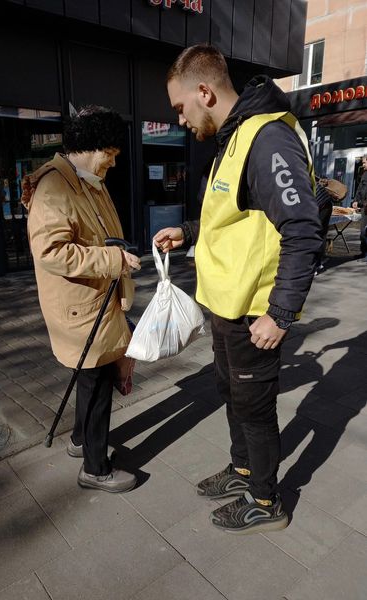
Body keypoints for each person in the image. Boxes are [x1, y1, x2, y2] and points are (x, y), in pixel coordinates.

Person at [154, 44, 322, 534]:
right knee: (231, 393)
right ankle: (245, 470)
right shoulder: (235, 136)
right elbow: (236, 212)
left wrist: (282, 313)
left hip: (254, 311)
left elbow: (302, 228)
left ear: (204, 91)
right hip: (226, 305)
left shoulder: (267, 138)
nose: (180, 119)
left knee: (253, 404)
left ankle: (267, 502)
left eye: (179, 107)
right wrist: (188, 230)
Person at [23, 106, 141, 493]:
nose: (114, 159)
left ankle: (79, 440)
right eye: (111, 151)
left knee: (92, 377)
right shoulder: (55, 185)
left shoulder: (88, 181)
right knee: (97, 381)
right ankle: (95, 468)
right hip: (82, 306)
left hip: (96, 301)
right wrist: (114, 260)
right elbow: (51, 251)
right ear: (94, 147)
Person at [314, 177, 333, 274]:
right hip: (325, 204)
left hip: (322, 205)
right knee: (321, 234)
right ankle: (319, 263)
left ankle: (316, 265)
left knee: (316, 234)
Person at [352, 155, 367, 257]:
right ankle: (363, 253)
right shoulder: (364, 174)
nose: (363, 164)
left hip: (366, 206)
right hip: (364, 207)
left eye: (364, 162)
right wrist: (355, 201)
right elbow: (360, 189)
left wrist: (362, 203)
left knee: (364, 231)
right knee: (363, 231)